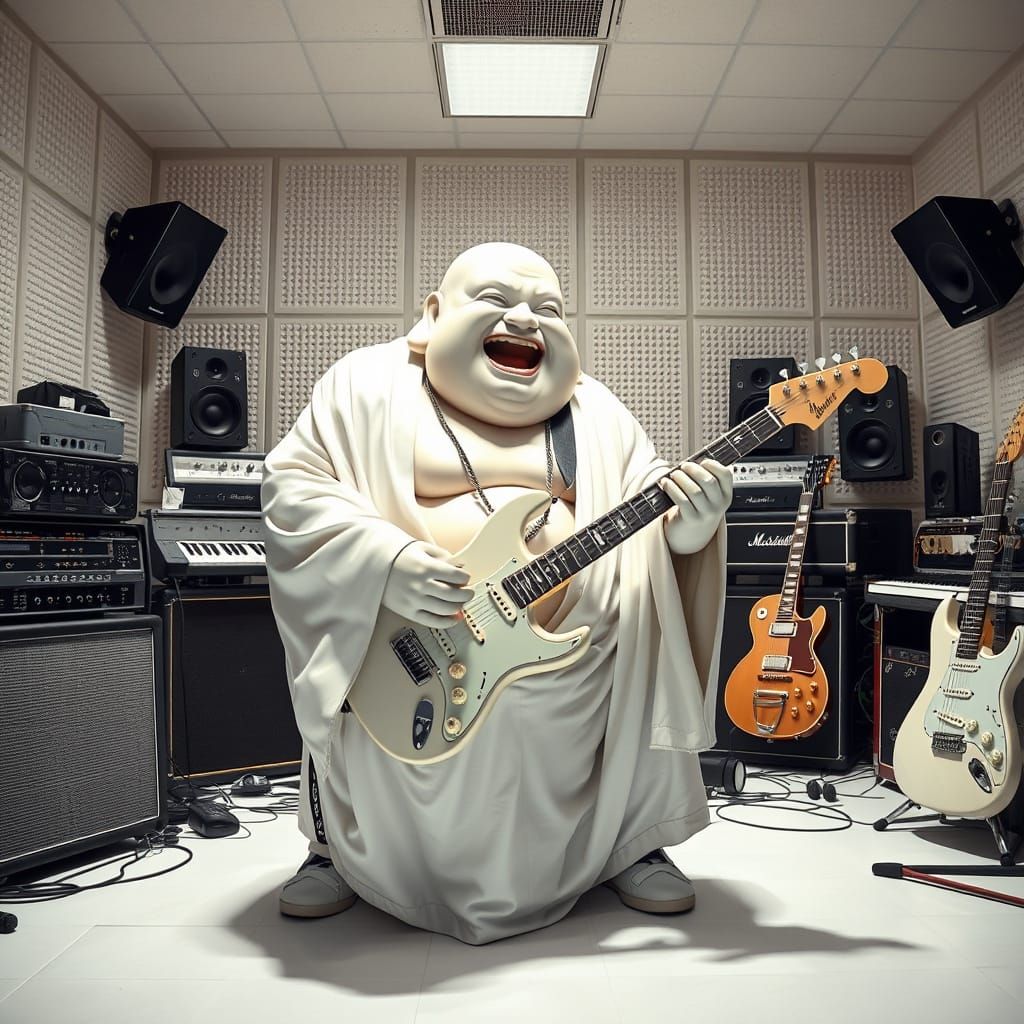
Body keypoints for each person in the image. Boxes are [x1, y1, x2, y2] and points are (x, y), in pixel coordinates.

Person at [261, 242, 731, 945]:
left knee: (624, 667)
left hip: (575, 669)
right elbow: (293, 491)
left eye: (548, 309)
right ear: (430, 315)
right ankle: (342, 851)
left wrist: (690, 533)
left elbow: (655, 531)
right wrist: (384, 560)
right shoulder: (366, 385)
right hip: (409, 651)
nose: (526, 318)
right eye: (497, 299)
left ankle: (623, 845)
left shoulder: (597, 413)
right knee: (363, 713)